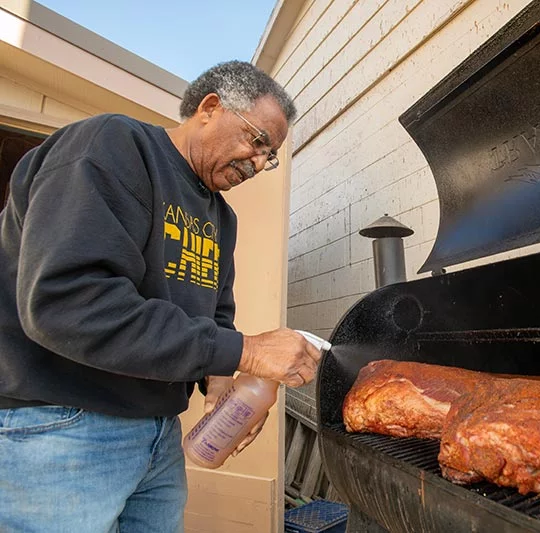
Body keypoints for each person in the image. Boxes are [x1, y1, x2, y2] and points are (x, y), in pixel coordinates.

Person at [0, 60, 320, 532]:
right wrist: (248, 352)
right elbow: (68, 302)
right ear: (210, 108)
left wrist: (219, 384)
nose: (258, 164)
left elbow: (216, 318)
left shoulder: (220, 217)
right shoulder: (113, 146)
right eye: (257, 141)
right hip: (61, 426)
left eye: (268, 157)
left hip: (159, 435)